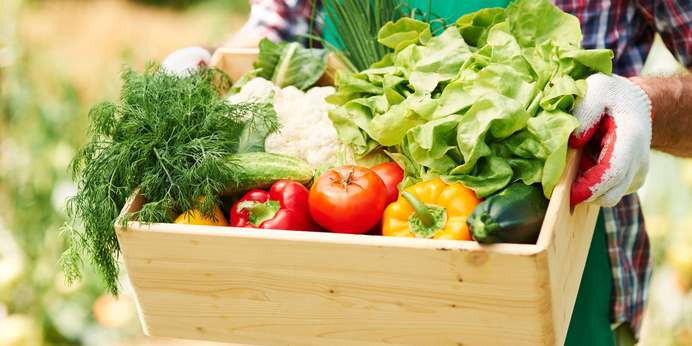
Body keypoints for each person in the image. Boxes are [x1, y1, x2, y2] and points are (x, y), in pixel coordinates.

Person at [163, 1, 692, 344]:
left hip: (561, 282)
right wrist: (206, 64)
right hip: (334, 295)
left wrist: (647, 103)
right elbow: (274, 35)